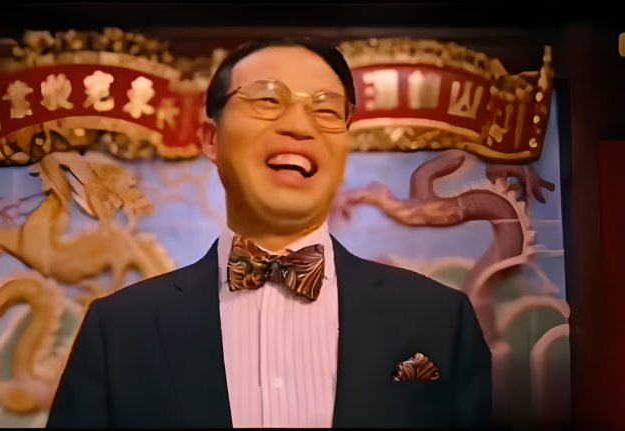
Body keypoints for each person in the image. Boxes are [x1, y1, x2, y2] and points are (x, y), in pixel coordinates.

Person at [47, 37, 492, 428]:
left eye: (326, 109)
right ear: (211, 138)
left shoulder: (439, 319)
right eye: (267, 100)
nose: (299, 126)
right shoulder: (120, 330)